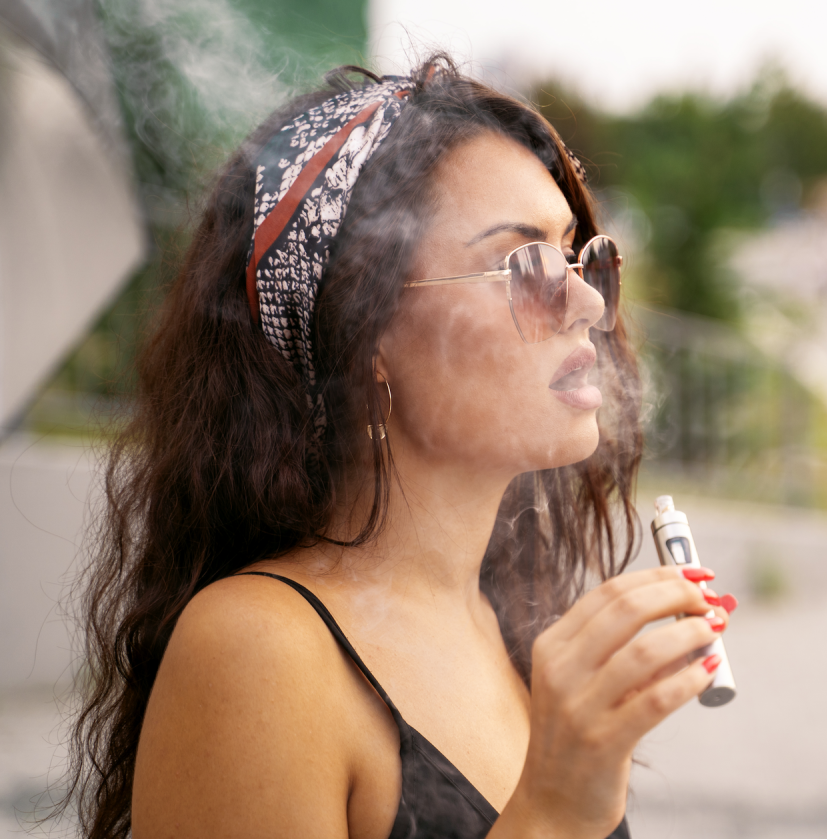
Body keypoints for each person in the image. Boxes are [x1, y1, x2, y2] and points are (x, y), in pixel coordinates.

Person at [64, 57, 735, 839]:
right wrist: (551, 813)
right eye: (523, 264)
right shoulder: (258, 653)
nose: (586, 301)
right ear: (368, 329)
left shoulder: (505, 621)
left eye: (580, 256)